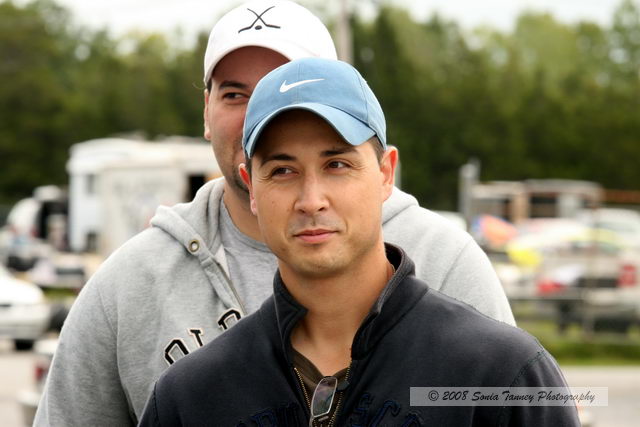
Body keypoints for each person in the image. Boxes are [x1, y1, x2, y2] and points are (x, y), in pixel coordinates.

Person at [36, 0, 514, 425]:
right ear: (206, 110)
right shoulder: (128, 285)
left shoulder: (444, 258)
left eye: (288, 83)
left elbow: (502, 400)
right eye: (234, 94)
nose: (258, 112)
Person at [138, 57, 579, 426]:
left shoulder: (501, 376)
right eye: (283, 170)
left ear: (386, 174)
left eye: (337, 165)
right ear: (250, 187)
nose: (311, 200)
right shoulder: (191, 398)